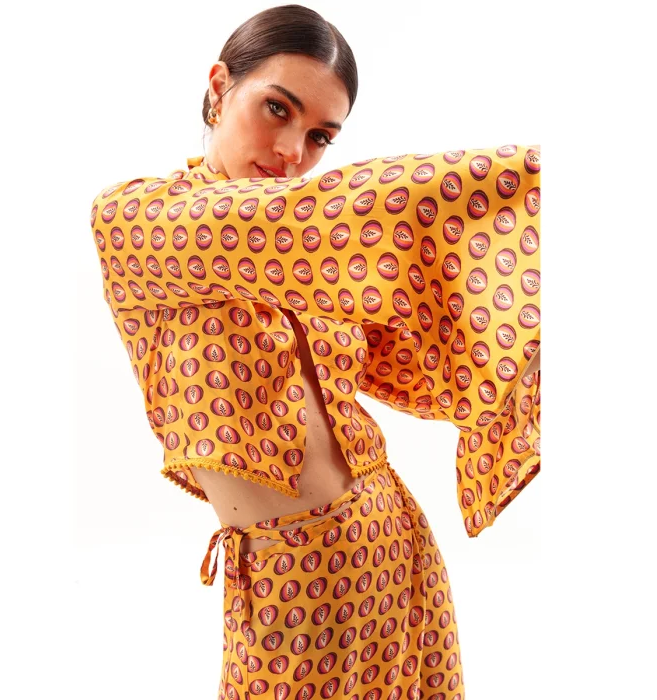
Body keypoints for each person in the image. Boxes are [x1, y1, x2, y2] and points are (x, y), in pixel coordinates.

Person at [88, 5, 540, 698]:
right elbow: (325, 215)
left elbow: (436, 357)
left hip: (398, 554)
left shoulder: (319, 262)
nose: (292, 153)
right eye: (277, 109)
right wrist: (531, 176)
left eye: (321, 136)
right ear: (219, 88)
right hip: (293, 588)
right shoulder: (137, 220)